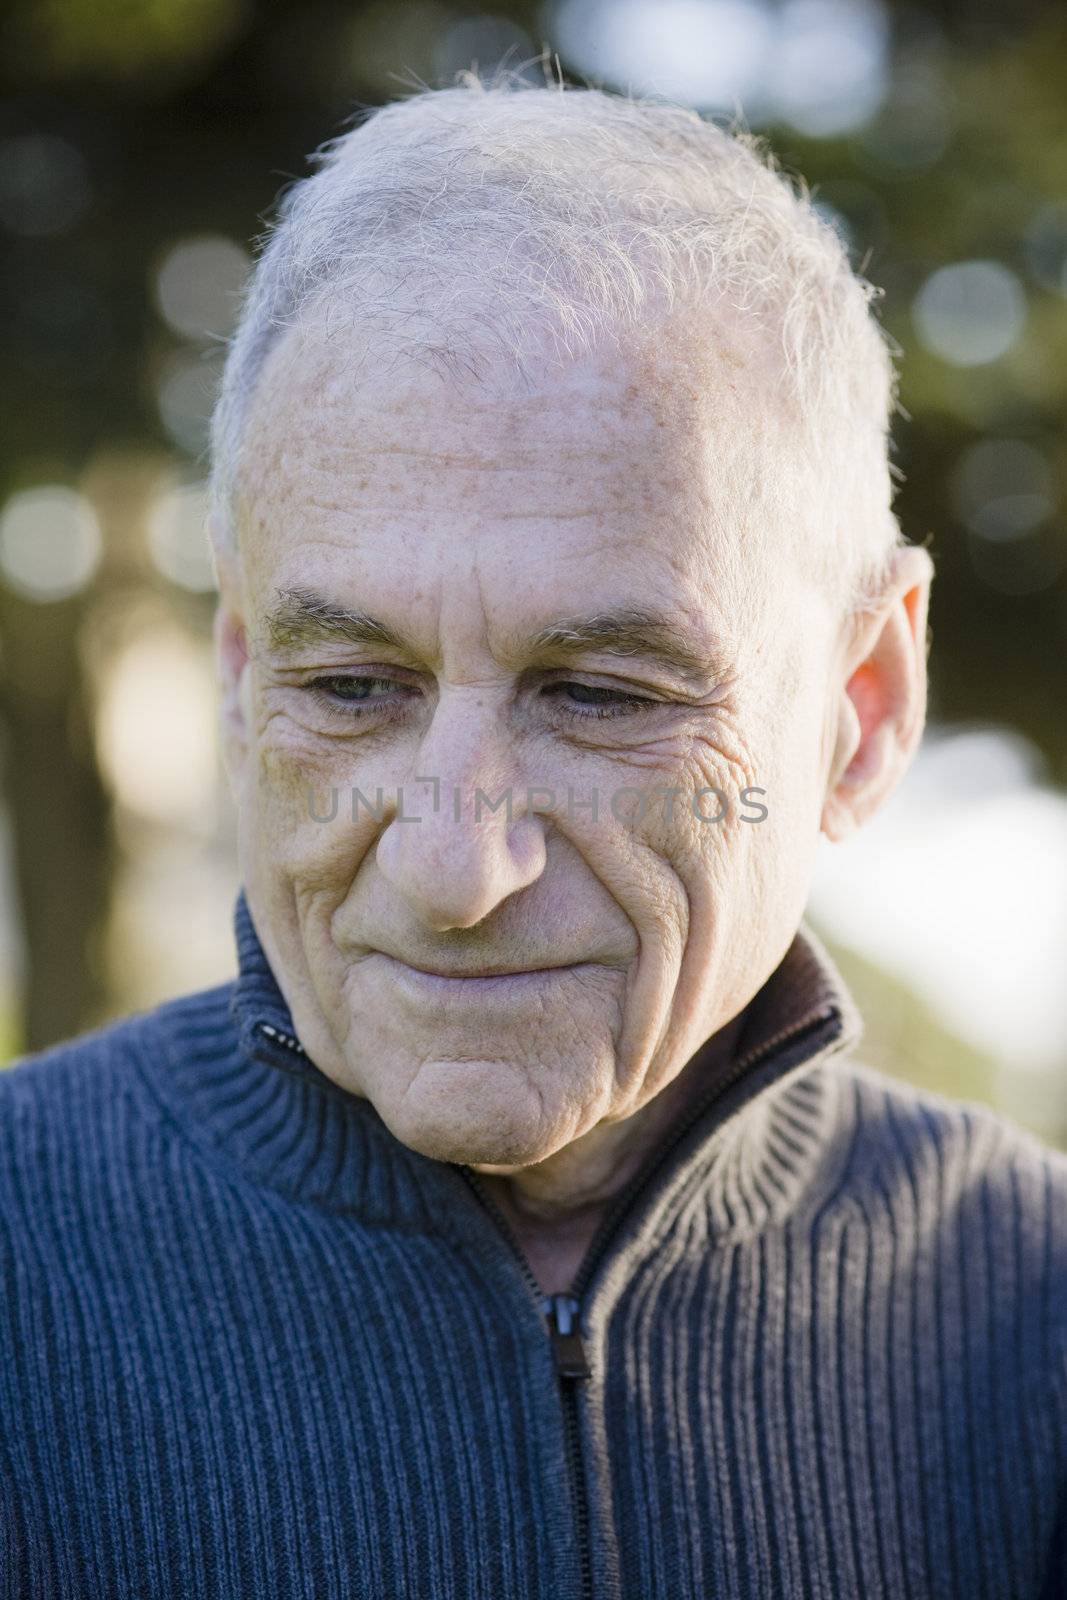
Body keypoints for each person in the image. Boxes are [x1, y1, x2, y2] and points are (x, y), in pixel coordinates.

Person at [1, 76, 1065, 1599]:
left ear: (866, 704)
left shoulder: (1038, 1336)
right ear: (241, 677)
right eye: (352, 687)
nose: (453, 869)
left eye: (600, 695)